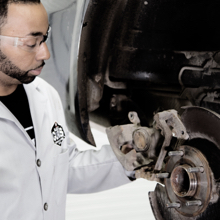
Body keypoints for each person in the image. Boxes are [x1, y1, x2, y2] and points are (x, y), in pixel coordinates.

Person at [0, 0, 131, 219]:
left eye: (44, 38)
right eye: (31, 43)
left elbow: (62, 168)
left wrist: (131, 158)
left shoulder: (44, 94)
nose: (45, 54)